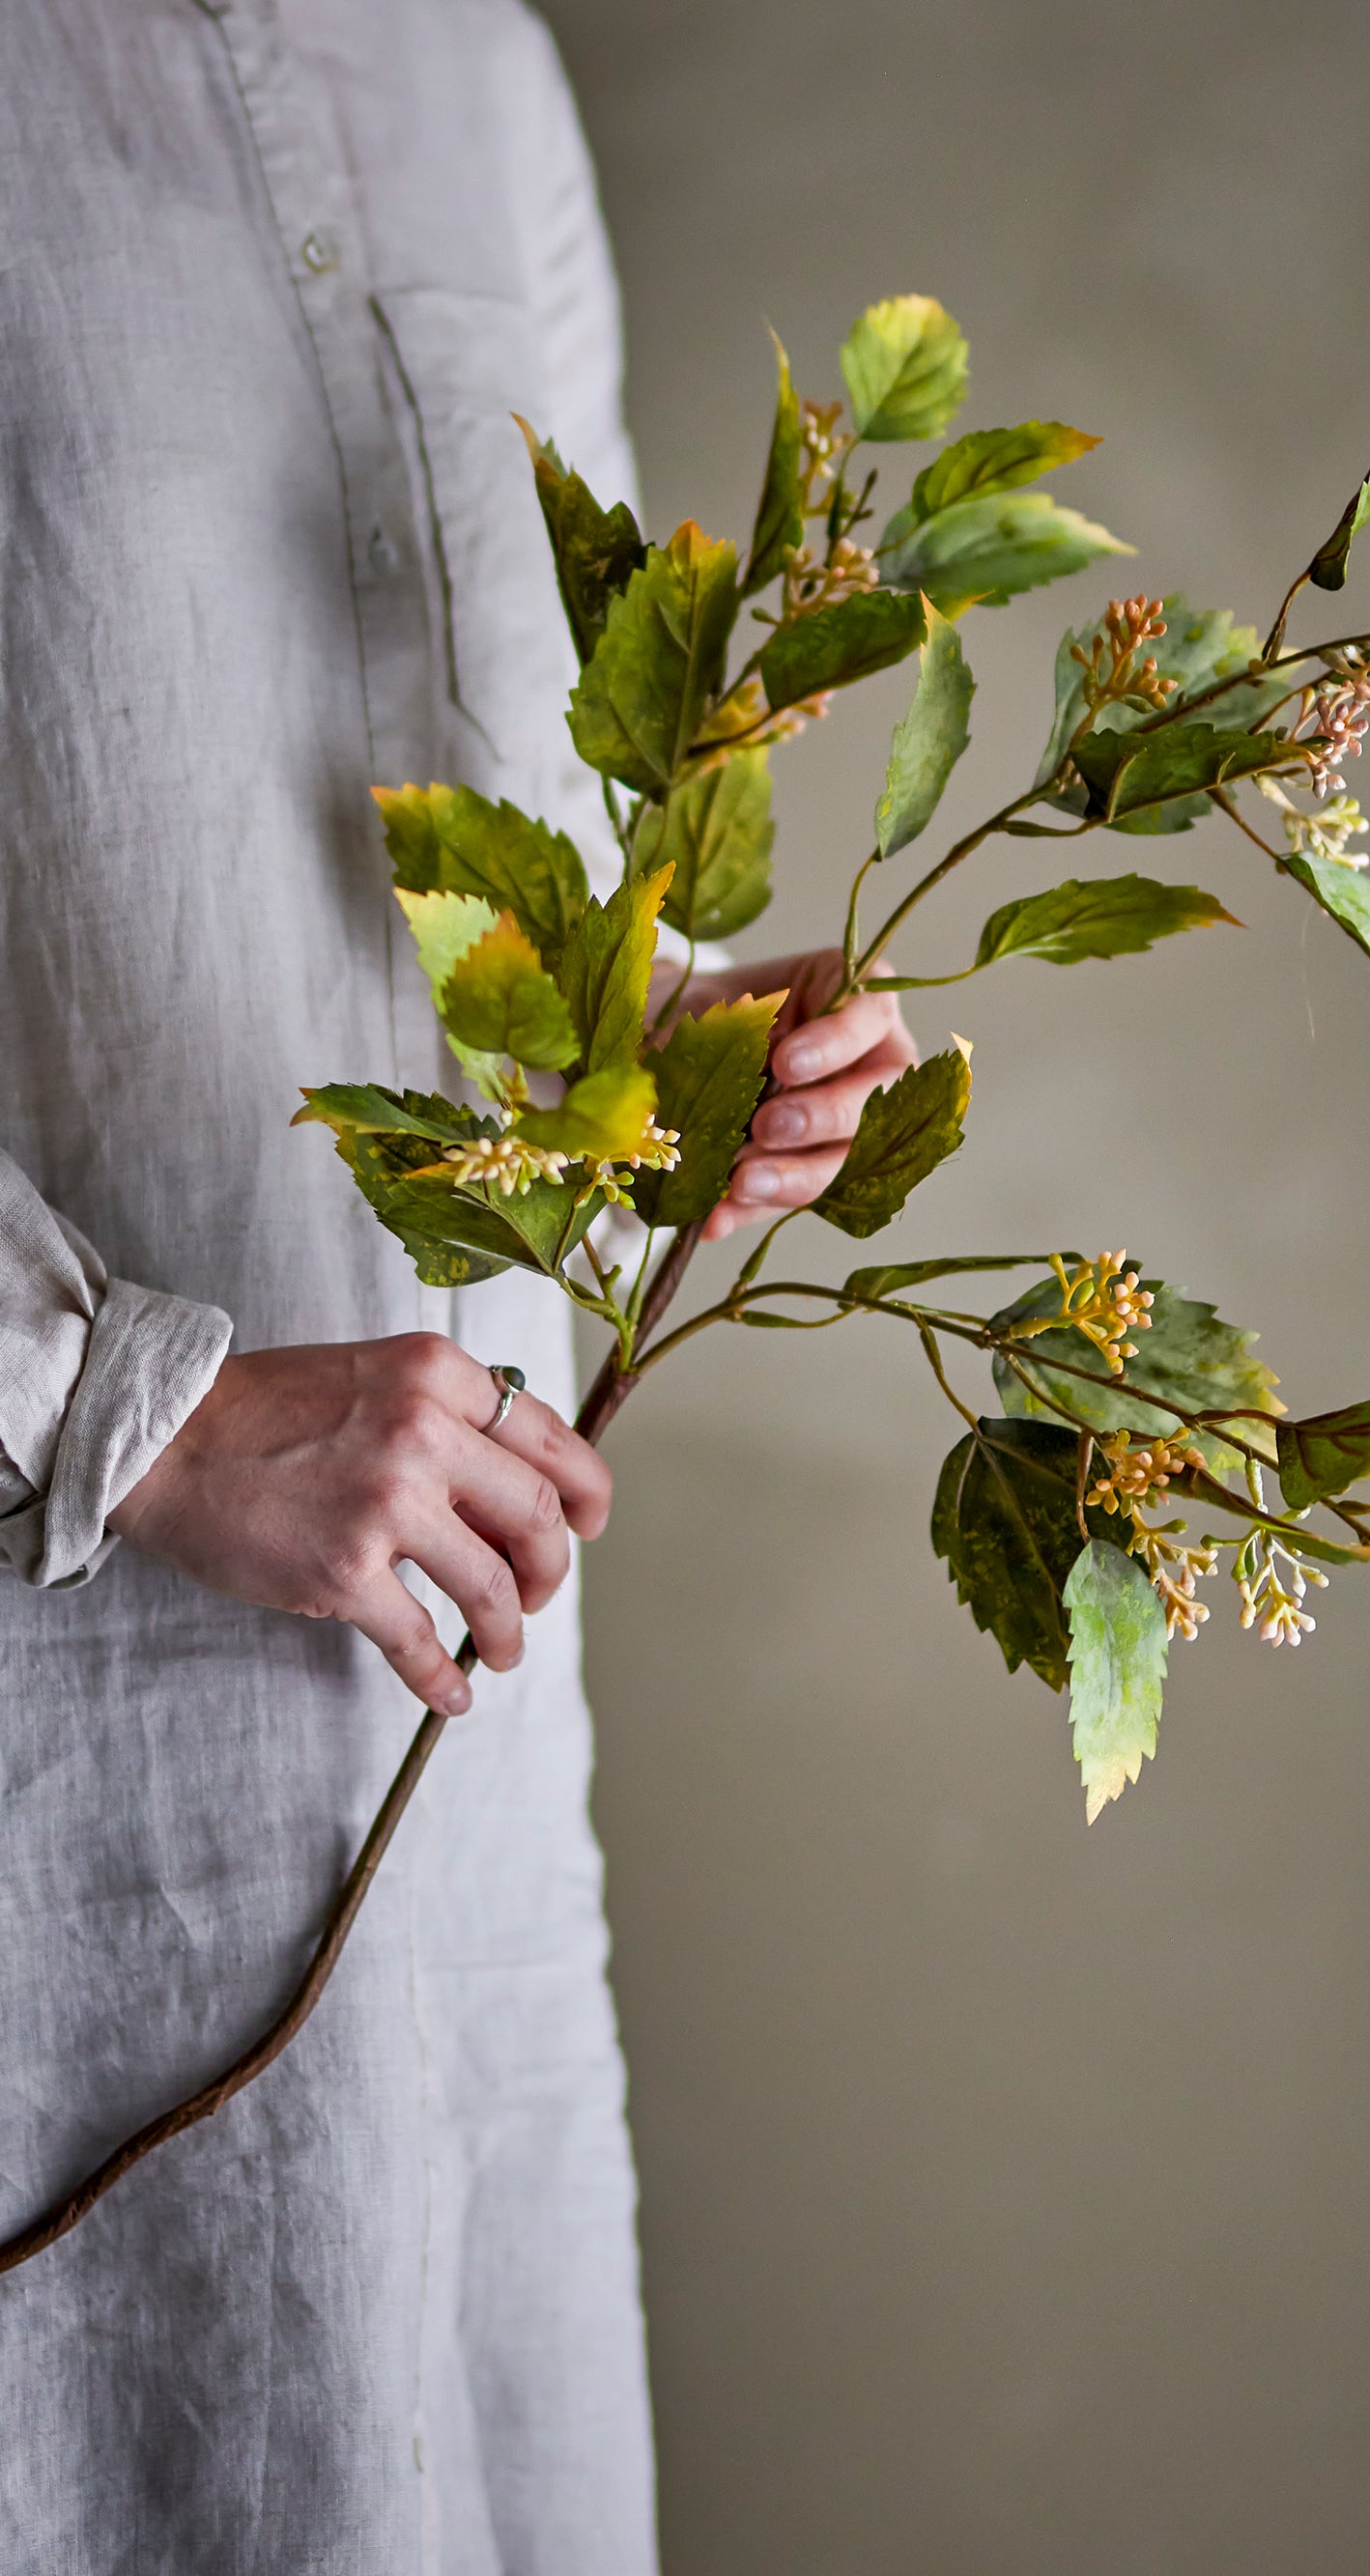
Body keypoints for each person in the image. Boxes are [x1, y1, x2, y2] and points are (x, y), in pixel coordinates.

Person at [0, 2, 911, 2564]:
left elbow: (531, 848)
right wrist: (136, 1414)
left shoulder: (468, 66)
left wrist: (660, 1055)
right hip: (51, 1792)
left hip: (457, 1812)